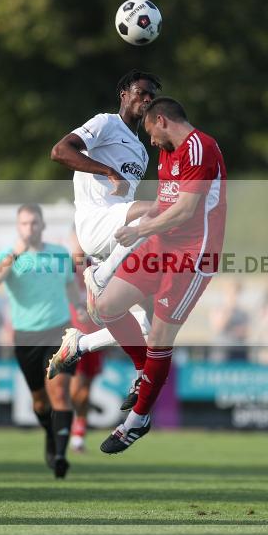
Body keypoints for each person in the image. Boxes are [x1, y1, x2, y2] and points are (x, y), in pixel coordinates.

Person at [51, 97, 227, 454]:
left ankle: (138, 420)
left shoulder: (200, 147)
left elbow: (186, 210)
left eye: (149, 131)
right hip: (160, 243)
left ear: (161, 120)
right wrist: (143, 223)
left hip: (192, 255)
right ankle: (107, 354)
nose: (149, 141)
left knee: (161, 336)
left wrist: (137, 230)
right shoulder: (166, 153)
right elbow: (166, 206)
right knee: (103, 306)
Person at [47, 71, 162, 405]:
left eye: (151, 96)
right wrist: (106, 170)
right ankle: (98, 276)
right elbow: (59, 151)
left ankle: (81, 345)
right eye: (142, 92)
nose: (147, 100)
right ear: (124, 93)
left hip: (118, 236)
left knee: (152, 319)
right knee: (161, 211)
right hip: (96, 223)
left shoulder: (142, 150)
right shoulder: (106, 123)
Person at [0, 204, 85, 479]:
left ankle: (61, 456)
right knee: (40, 402)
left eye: (34, 223)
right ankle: (51, 435)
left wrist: (84, 309)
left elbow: (71, 288)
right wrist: (14, 255)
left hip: (60, 331)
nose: (30, 228)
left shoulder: (59, 253)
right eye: (25, 224)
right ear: (19, 227)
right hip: (26, 336)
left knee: (60, 392)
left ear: (42, 225)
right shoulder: (8, 255)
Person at [65, 231, 106, 453]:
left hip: (96, 335)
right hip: (72, 336)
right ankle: (68, 425)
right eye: (76, 239)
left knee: (86, 387)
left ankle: (78, 432)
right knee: (75, 387)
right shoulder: (66, 268)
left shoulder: (98, 266)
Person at [208, 280, 250, 363]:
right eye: (229, 293)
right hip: (222, 350)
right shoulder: (217, 309)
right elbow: (218, 328)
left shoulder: (243, 313)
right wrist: (228, 310)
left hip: (238, 348)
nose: (232, 296)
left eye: (235, 293)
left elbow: (247, 332)